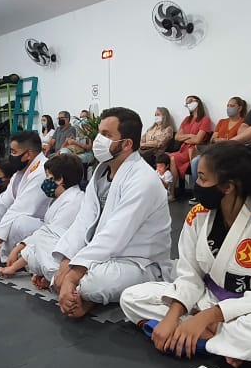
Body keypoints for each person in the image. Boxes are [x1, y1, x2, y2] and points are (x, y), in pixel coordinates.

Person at [120, 141, 251, 367]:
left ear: (228, 186)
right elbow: (189, 275)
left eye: (203, 179)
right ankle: (212, 341)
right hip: (205, 298)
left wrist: (208, 317)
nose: (196, 184)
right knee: (131, 297)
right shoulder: (198, 215)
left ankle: (192, 334)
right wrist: (173, 315)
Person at [50, 107, 173, 318]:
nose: (98, 139)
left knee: (94, 284)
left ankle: (85, 295)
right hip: (104, 253)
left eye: (106, 135)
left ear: (127, 144)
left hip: (138, 261)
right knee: (56, 264)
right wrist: (66, 261)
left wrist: (72, 275)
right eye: (99, 132)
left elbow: (116, 233)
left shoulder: (143, 180)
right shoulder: (100, 173)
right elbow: (83, 221)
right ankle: (80, 293)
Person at [0, 131, 51, 271]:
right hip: (27, 223)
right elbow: (2, 203)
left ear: (28, 154)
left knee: (20, 222)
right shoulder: (20, 172)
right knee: (1, 223)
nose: (10, 156)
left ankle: (17, 255)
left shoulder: (42, 171)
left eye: (14, 152)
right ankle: (7, 250)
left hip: (43, 226)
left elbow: (18, 209)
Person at [0, 154, 86, 280]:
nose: (45, 181)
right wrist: (19, 249)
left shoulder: (74, 200)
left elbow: (48, 235)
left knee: (41, 240)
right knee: (35, 242)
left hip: (66, 251)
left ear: (59, 179)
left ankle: (55, 277)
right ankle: (40, 272)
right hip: (53, 244)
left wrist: (17, 254)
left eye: (48, 176)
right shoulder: (61, 198)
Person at [168, 95, 213, 187]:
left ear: (198, 102)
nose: (188, 104)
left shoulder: (205, 119)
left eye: (190, 101)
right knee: (165, 158)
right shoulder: (186, 119)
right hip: (182, 149)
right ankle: (170, 189)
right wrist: (190, 136)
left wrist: (186, 138)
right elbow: (177, 137)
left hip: (193, 151)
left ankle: (172, 190)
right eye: (187, 102)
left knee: (172, 158)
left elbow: (198, 139)